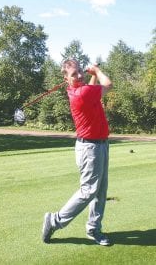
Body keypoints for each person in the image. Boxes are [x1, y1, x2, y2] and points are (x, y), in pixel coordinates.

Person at [42, 59, 113, 246]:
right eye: (74, 74)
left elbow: (94, 93)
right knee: (88, 191)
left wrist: (91, 77)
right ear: (66, 79)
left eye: (81, 71)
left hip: (100, 145)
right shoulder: (81, 93)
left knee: (100, 191)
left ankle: (93, 229)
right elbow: (109, 85)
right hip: (90, 148)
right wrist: (96, 71)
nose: (80, 75)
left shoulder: (83, 91)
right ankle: (54, 220)